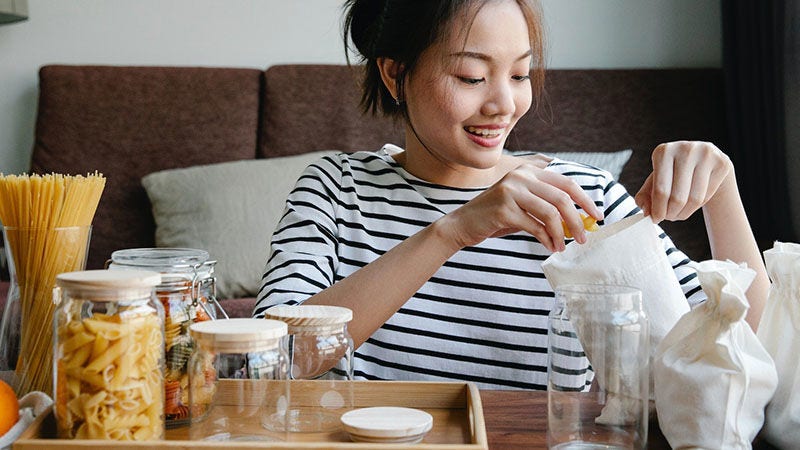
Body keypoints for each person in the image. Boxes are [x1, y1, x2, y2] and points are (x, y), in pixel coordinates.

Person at [253, 0, 769, 390]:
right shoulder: (336, 188)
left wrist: (722, 191)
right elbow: (270, 363)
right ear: (396, 74)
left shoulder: (583, 196)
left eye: (520, 73)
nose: (504, 103)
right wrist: (451, 231)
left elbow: (744, 343)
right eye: (472, 76)